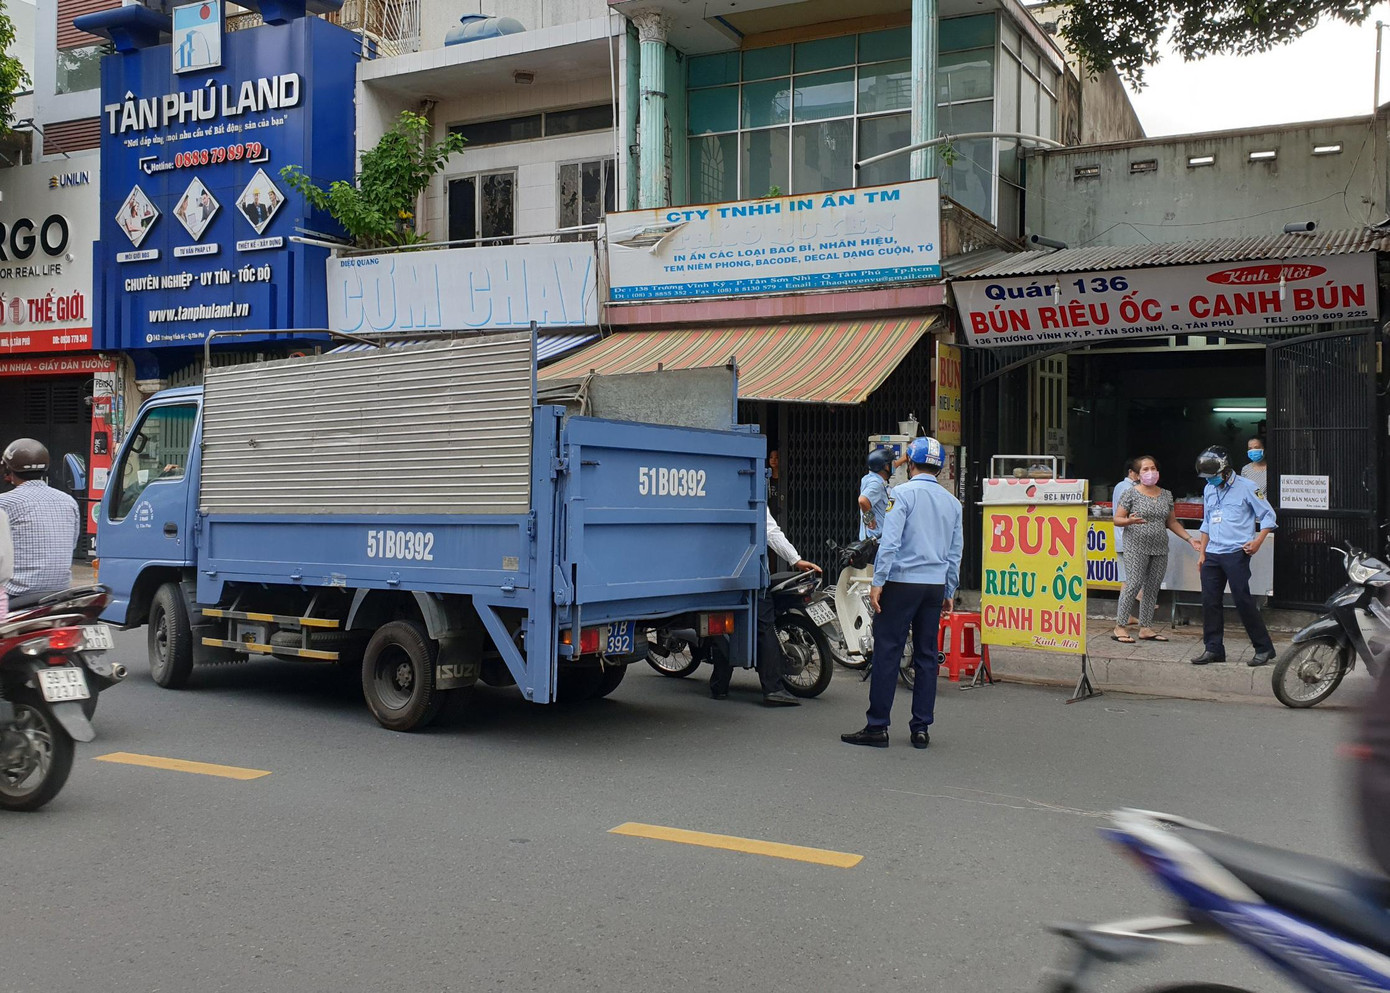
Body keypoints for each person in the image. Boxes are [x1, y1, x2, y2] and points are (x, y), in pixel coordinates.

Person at [841, 436, 963, 750]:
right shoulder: (953, 503)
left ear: (910, 464)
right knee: (925, 656)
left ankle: (877, 726)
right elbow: (954, 552)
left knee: (888, 652)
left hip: (902, 583)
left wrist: (878, 582)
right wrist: (949, 588)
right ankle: (921, 728)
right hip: (934, 586)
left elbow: (891, 542)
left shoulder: (902, 494)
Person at [709, 506, 820, 706]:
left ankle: (720, 686)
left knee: (722, 624)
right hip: (751, 574)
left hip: (717, 572)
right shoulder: (753, 489)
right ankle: (773, 689)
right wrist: (796, 559)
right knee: (764, 626)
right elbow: (771, 532)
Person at [1189, 446, 1278, 667]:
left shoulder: (1247, 487)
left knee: (1242, 599)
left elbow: (1268, 515)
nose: (1210, 481)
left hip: (1236, 552)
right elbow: (1207, 522)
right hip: (1212, 553)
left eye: (1213, 477)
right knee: (1210, 602)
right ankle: (1213, 649)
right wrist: (1202, 553)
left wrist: (1258, 541)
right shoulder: (1209, 489)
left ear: (1226, 471)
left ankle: (1264, 648)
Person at [1111, 456, 1199, 644]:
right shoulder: (1130, 493)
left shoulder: (1166, 494)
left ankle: (1146, 627)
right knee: (1133, 583)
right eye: (1145, 469)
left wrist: (1190, 539)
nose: (1150, 472)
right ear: (1137, 474)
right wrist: (1130, 521)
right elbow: (1117, 519)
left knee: (1152, 587)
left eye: (1153, 468)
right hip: (1135, 545)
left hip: (1159, 547)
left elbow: (1172, 522)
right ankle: (1120, 626)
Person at [0, 439, 80, 609]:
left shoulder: (4, 502)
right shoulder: (68, 501)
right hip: (60, 591)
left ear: (8, 469)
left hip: (17, 593)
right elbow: (71, 545)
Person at [858, 447, 893, 540]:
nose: (893, 465)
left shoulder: (869, 478)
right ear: (885, 467)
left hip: (871, 538)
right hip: (876, 541)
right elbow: (863, 500)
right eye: (891, 463)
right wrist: (870, 519)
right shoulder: (876, 484)